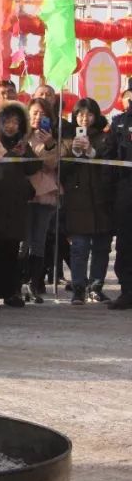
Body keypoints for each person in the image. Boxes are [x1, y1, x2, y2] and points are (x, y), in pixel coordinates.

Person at [0, 102, 37, 307]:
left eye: (15, 122)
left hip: (16, 205)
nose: (11, 126)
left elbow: (33, 168)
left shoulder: (21, 144)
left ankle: (11, 291)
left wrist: (24, 155)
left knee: (12, 250)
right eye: (7, 121)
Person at [61, 97, 115, 305]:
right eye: (80, 114)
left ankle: (96, 286)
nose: (84, 119)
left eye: (89, 114)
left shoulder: (105, 138)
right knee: (79, 247)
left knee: (102, 247)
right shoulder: (67, 138)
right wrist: (74, 152)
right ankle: (78, 288)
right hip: (77, 202)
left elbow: (110, 166)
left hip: (101, 200)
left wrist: (92, 153)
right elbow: (61, 171)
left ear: (96, 115)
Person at [23, 98, 60, 303]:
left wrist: (49, 145)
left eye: (43, 114)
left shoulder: (51, 138)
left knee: (39, 239)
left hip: (45, 191)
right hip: (25, 192)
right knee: (24, 240)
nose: (38, 117)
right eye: (35, 113)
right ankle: (21, 279)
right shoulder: (21, 135)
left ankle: (35, 282)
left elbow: (52, 164)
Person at [107, 80, 132, 310]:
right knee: (125, 240)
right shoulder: (119, 123)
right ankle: (127, 290)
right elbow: (109, 153)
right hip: (126, 187)